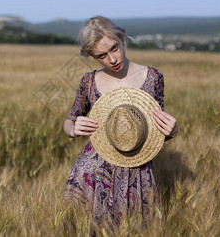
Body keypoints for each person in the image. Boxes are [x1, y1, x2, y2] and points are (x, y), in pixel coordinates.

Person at [62, 16, 178, 229]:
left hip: (137, 172)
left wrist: (172, 131)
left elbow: (157, 132)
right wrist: (72, 129)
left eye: (114, 48)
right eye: (101, 56)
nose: (112, 59)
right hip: (92, 174)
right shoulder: (89, 81)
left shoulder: (153, 78)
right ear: (92, 56)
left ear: (121, 38)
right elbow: (69, 121)